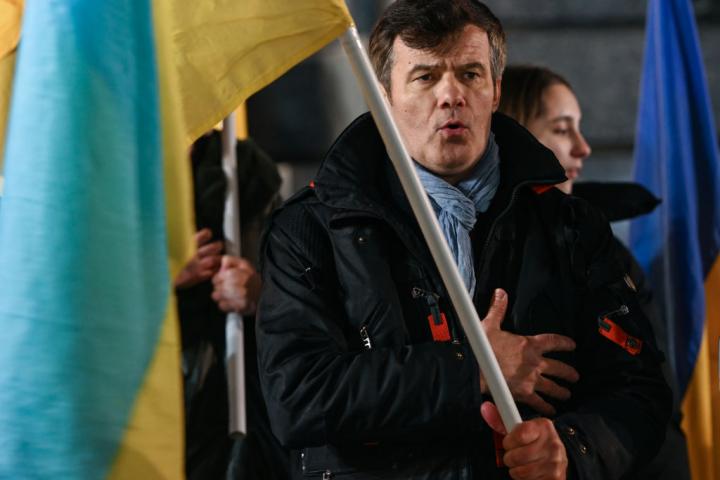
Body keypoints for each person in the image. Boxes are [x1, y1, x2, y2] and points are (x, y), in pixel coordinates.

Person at [255, 1, 672, 479]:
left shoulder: (571, 226)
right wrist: (471, 369)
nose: (451, 95)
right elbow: (296, 398)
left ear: (496, 91)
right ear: (384, 97)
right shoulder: (311, 229)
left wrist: (574, 447)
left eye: (470, 74)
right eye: (425, 77)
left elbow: (640, 391)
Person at [498, 64, 691, 480]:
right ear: (517, 134)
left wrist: (571, 447)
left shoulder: (599, 251)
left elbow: (646, 396)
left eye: (579, 128)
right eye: (561, 129)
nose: (583, 148)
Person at [175, 131, 288, 480]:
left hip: (240, 397)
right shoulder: (105, 171)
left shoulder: (244, 171)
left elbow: (299, 288)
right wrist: (160, 277)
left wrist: (258, 293)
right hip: (146, 395)